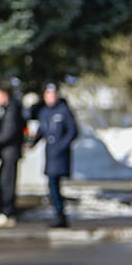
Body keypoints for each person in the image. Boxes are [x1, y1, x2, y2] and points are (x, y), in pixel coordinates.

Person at [28, 84, 78, 228]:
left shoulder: (64, 111)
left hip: (60, 155)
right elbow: (42, 130)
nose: (50, 97)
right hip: (50, 154)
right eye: (48, 95)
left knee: (55, 184)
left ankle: (60, 214)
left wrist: (62, 146)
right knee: (51, 185)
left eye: (53, 94)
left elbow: (73, 131)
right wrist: (32, 143)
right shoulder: (44, 112)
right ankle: (58, 213)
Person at [0, 85, 24, 226]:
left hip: (10, 152)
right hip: (6, 151)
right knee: (3, 180)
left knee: (7, 181)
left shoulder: (12, 110)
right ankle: (2, 209)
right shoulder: (4, 109)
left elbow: (9, 132)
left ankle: (7, 211)